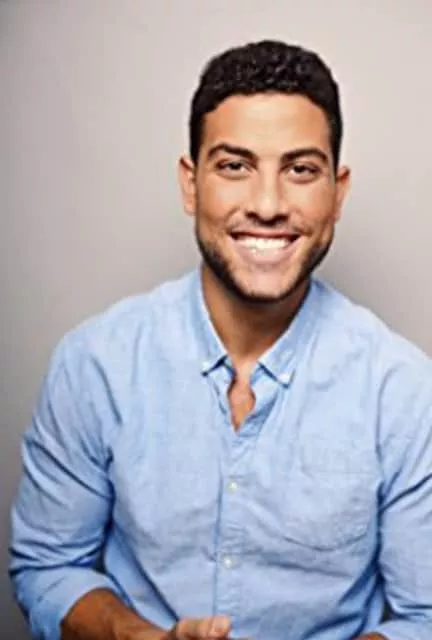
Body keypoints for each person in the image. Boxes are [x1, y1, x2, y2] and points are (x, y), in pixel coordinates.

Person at [9, 39, 432, 640]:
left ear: (337, 193)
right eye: (235, 166)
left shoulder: (406, 391)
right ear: (191, 184)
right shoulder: (94, 365)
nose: (268, 205)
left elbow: (425, 615)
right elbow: (49, 567)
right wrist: (142, 638)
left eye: (300, 170)